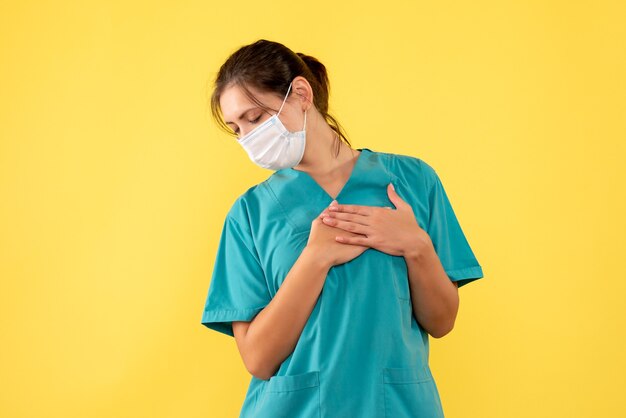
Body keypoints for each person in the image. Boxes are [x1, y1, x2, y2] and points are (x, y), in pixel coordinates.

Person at [201, 39, 484, 418]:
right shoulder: (250, 214)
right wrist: (315, 258)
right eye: (237, 129)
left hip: (396, 408)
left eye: (255, 118)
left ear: (300, 93)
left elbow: (442, 321)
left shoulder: (413, 182)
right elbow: (258, 359)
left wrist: (416, 245)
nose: (248, 139)